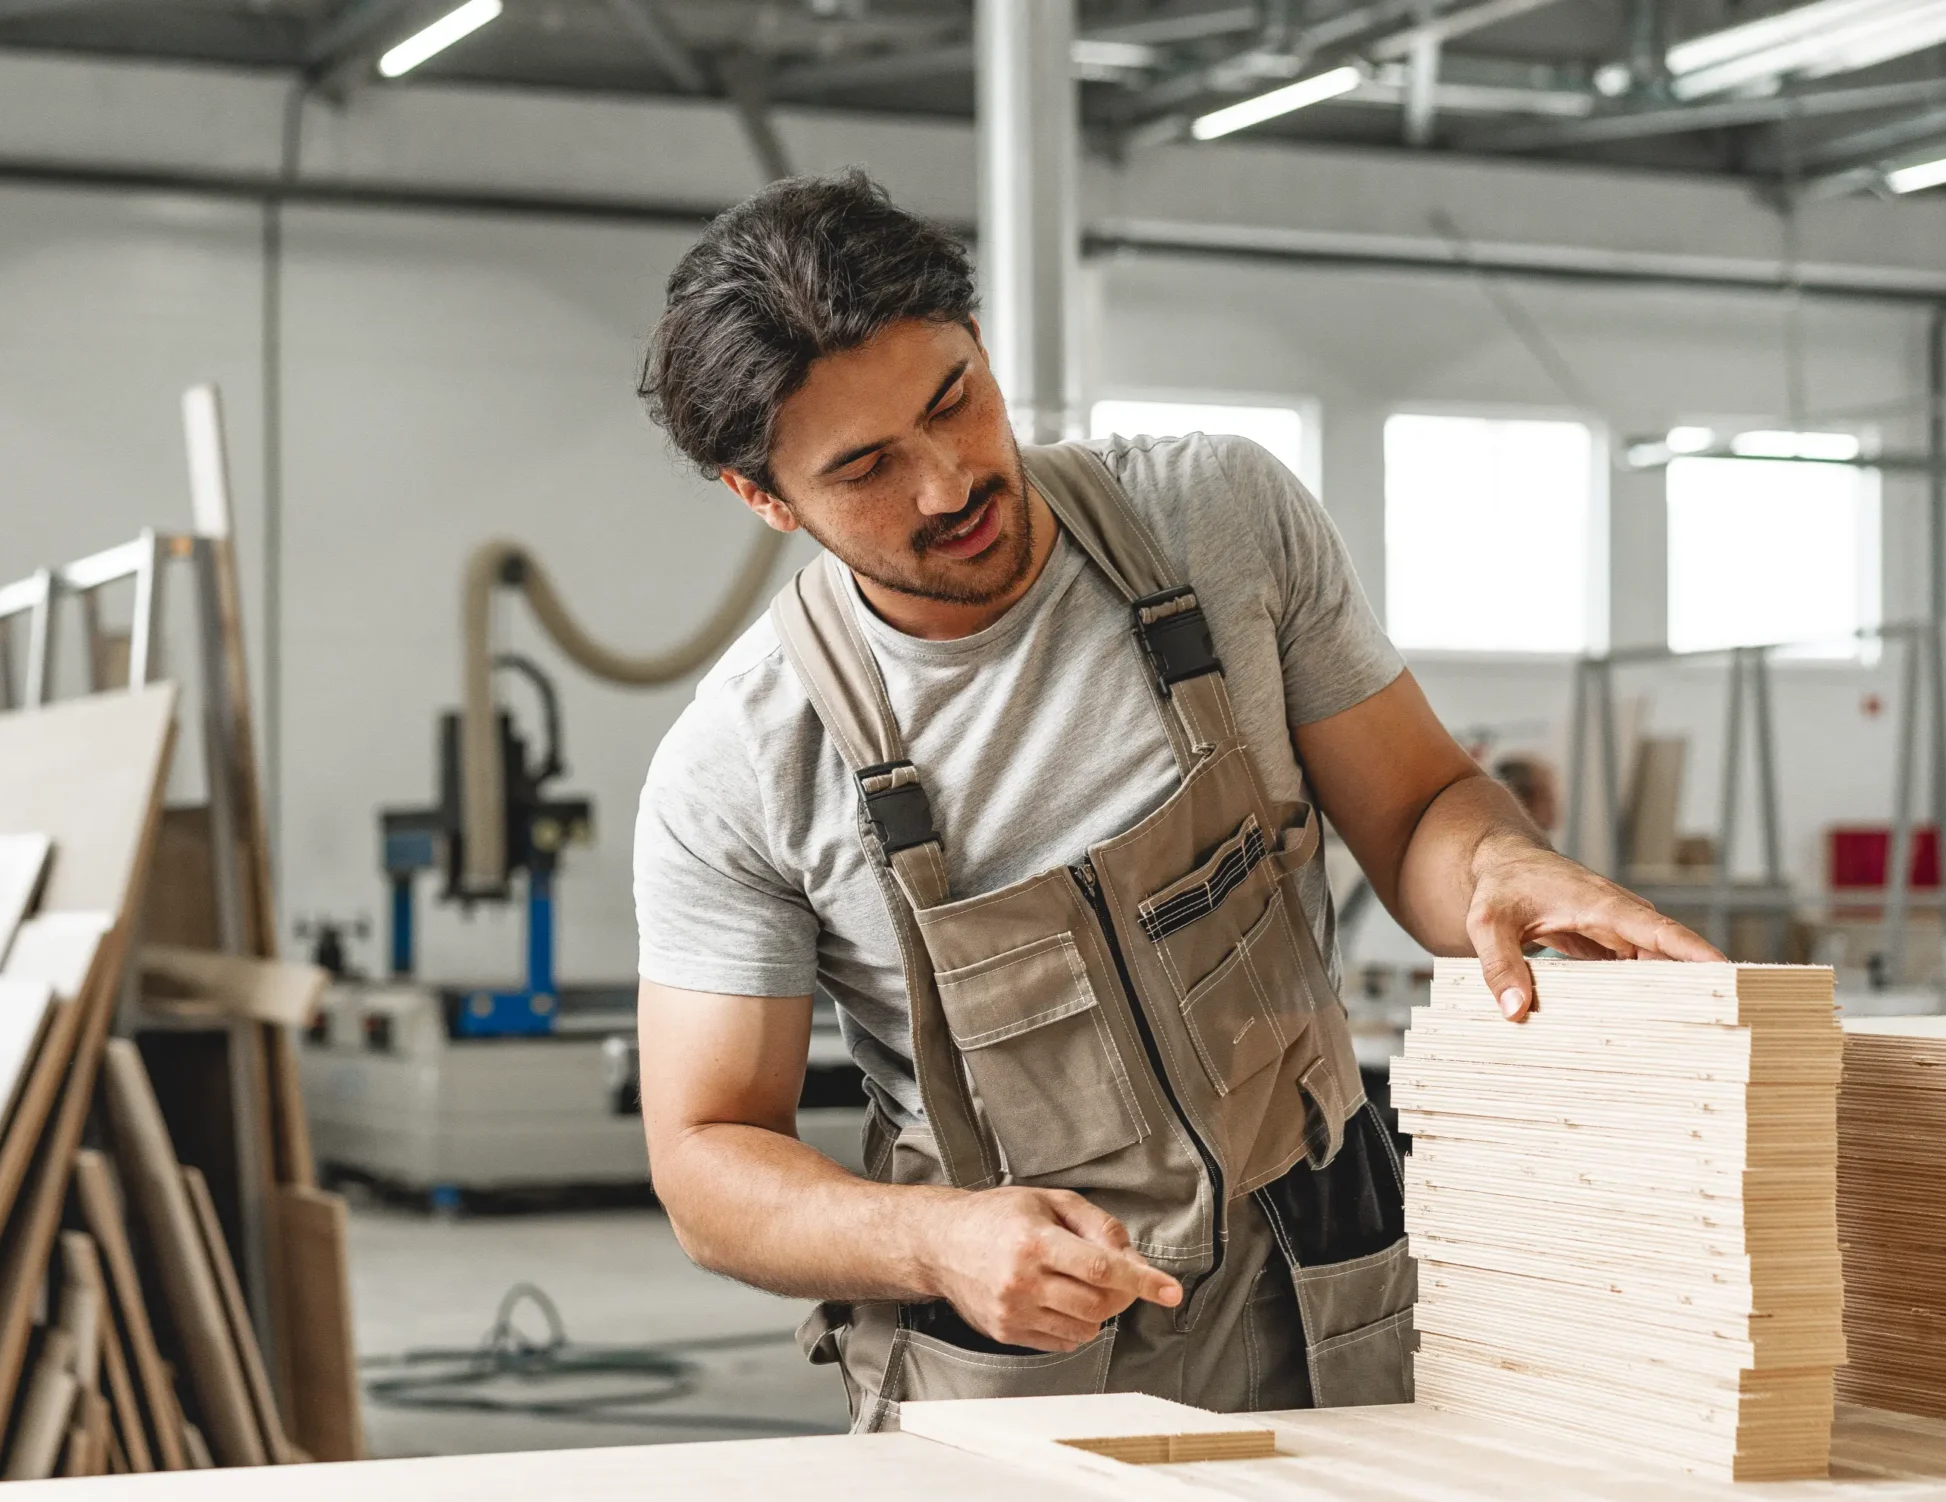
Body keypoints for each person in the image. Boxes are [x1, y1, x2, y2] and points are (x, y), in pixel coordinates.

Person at [628, 171, 1716, 1428]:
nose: (946, 485)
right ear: (762, 496)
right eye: (867, 466)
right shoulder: (743, 758)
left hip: (1336, 1295)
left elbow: (1418, 808)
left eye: (954, 402)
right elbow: (707, 1157)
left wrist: (1498, 866)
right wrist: (934, 1242)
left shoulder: (1215, 519)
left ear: (980, 346)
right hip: (1016, 1362)